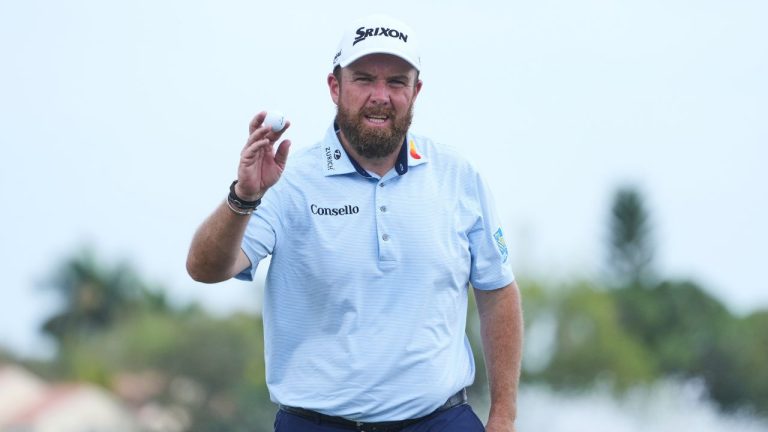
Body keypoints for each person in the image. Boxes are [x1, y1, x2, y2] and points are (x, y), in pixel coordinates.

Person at [187, 14, 523, 432]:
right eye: (364, 79)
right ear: (335, 87)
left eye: (397, 82)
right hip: (318, 423)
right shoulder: (288, 180)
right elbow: (205, 269)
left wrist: (504, 417)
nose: (380, 96)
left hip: (440, 420)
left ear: (416, 91)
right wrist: (244, 197)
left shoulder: (458, 175)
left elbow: (497, 289)